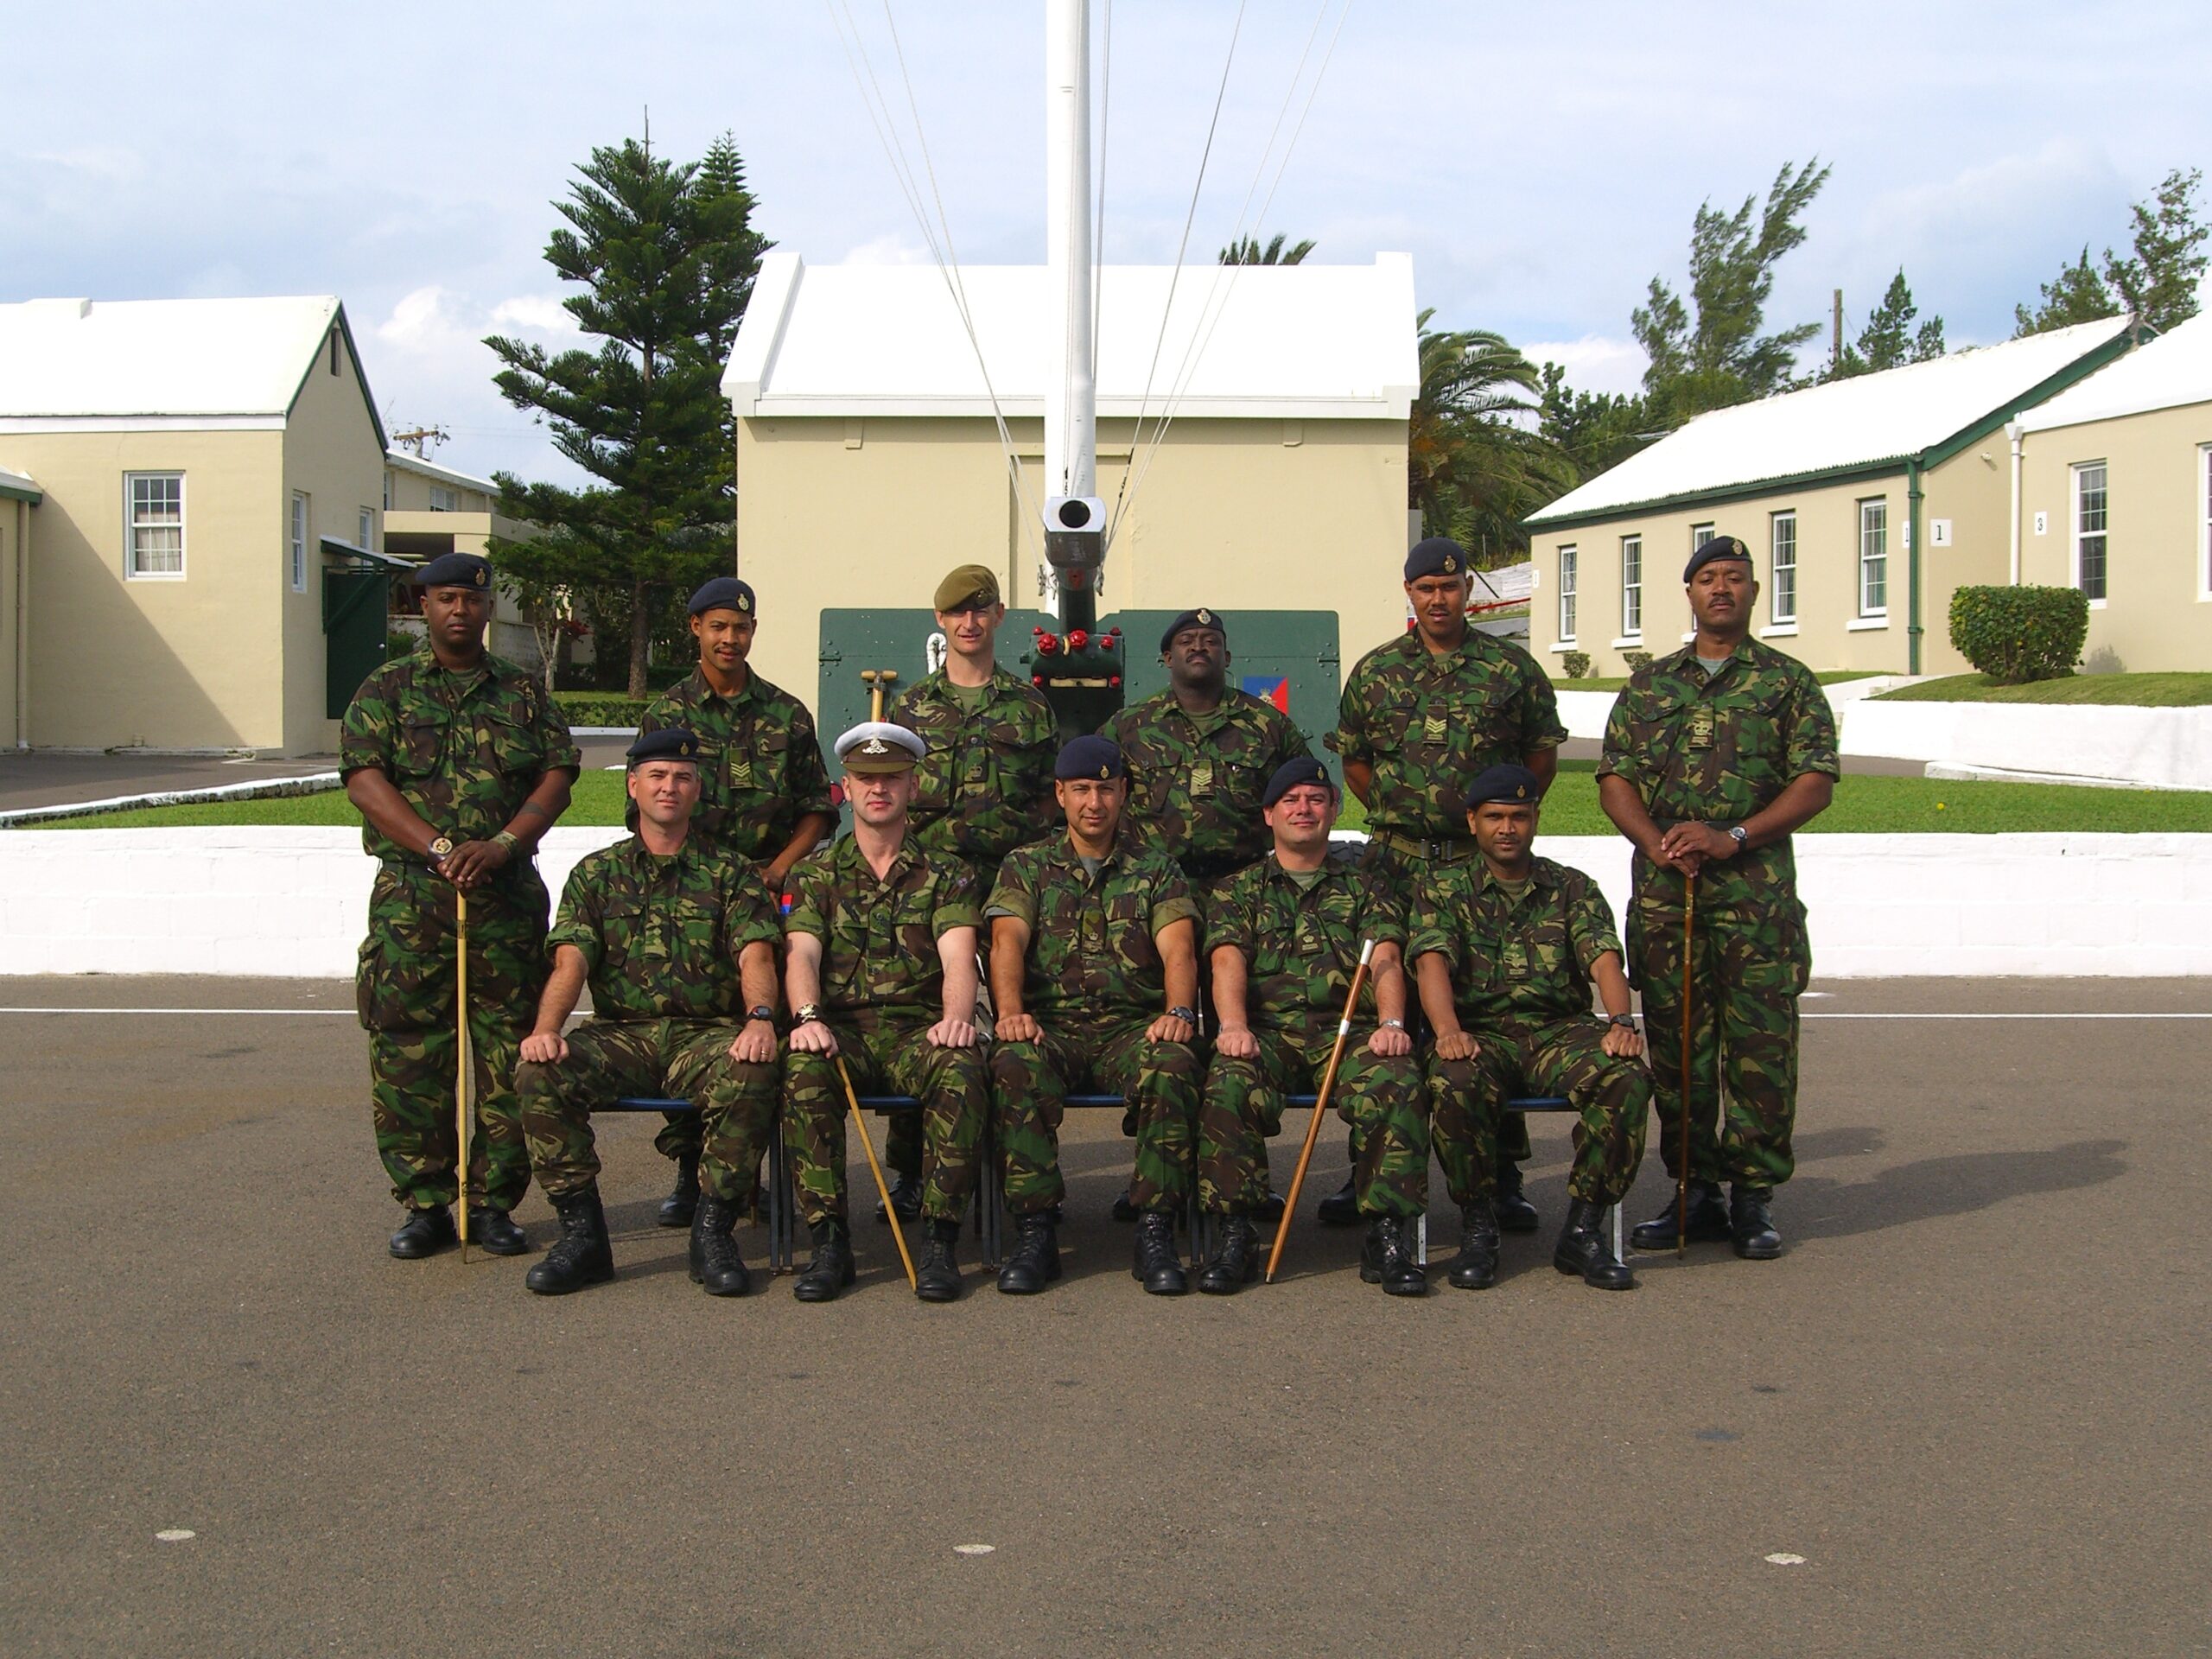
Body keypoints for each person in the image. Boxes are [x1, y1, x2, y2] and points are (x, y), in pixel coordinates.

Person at [1596, 535, 1838, 1261]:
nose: (1721, 589)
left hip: (1756, 901)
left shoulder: (1787, 683)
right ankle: (1690, 1191)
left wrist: (1736, 834)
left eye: (1734, 578)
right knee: (1679, 1052)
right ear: (1690, 593)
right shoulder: (1648, 686)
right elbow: (1615, 781)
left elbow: (1815, 781)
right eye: (1708, 579)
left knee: (1762, 1053)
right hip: (1671, 901)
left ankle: (1754, 1198)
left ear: (1755, 592)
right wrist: (1654, 842)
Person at [341, 551, 578, 1260]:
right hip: (415, 900)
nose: (460, 611)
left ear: (487, 608)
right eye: (446, 599)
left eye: (472, 601)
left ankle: (494, 1201)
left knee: (509, 1052)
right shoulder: (386, 688)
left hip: (504, 900)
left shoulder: (524, 692)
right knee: (410, 1051)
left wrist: (505, 843)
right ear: (423, 606)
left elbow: (558, 775)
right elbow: (364, 780)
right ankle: (425, 1203)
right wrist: (440, 847)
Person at [1327, 535, 1568, 1230]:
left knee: (1487, 1005)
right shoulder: (1376, 672)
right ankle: (1366, 1165)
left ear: (1468, 592)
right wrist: (1407, 815)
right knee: (1381, 1006)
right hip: (1395, 860)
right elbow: (1358, 764)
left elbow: (1539, 759)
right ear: (1410, 593)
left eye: (1451, 587)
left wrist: (1485, 822)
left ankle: (1500, 1176)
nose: (1439, 599)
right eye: (1425, 588)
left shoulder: (1510, 669)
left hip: (1479, 861)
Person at [514, 728, 784, 1297]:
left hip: (705, 1035)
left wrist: (760, 1017)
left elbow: (755, 952)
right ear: (634, 786)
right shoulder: (596, 874)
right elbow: (571, 964)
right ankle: (582, 1236)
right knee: (540, 1072)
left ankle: (712, 1234)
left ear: (697, 791)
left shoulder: (729, 872)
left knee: (752, 1069)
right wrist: (546, 1031)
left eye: (683, 778)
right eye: (657, 777)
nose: (670, 787)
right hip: (623, 1035)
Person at [638, 575, 836, 1229]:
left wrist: (779, 867)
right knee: (694, 1026)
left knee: (766, 1032)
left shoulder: (785, 712)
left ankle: (767, 1171)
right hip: (690, 902)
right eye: (718, 626)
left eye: (741, 628)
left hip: (772, 894)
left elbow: (817, 809)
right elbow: (645, 811)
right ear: (694, 628)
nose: (731, 638)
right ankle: (692, 1172)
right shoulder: (667, 712)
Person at [1411, 764, 1650, 1292]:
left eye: (1519, 816)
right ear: (1472, 821)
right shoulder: (1443, 888)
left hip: (1557, 1031)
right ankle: (1479, 1227)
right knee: (1454, 1080)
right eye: (1494, 816)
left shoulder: (1570, 886)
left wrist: (1620, 1023)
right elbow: (1431, 962)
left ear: (1536, 819)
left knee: (1626, 1077)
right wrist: (1447, 1030)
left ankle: (1583, 1230)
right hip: (1481, 1032)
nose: (1507, 828)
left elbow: (1604, 957)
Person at [1197, 757, 1427, 1297]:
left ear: (1333, 810)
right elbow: (1227, 961)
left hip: (1347, 1034)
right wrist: (1232, 1026)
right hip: (1267, 1033)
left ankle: (1386, 1234)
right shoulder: (1238, 890)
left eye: (1316, 799)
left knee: (1395, 1079)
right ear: (1269, 814)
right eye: (1292, 801)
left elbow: (1388, 960)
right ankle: (1237, 1233)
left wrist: (1393, 1022)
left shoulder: (1367, 886)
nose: (1305, 809)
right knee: (1229, 1082)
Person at [779, 721, 988, 1304]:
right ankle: (828, 1243)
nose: (879, 789)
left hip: (916, 1031)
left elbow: (958, 958)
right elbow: (802, 952)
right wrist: (808, 1017)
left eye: (891, 778)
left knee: (962, 1066)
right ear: (845, 788)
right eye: (866, 779)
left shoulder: (947, 872)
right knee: (802, 1071)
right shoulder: (815, 872)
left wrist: (956, 1020)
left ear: (912, 786)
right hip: (839, 1029)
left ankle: (941, 1240)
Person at [988, 736, 1205, 1297]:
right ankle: (1036, 1232)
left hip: (1129, 1029)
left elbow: (1178, 947)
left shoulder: (1155, 868)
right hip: (1051, 1027)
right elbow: (1006, 941)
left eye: (1106, 789)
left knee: (1176, 1060)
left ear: (1124, 793)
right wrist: (1011, 1014)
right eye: (1081, 789)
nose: (1094, 802)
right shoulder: (1027, 865)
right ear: (1060, 794)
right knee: (1013, 1060)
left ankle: (1155, 1229)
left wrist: (1179, 1011)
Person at [880, 562, 1058, 1222]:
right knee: (927, 1014)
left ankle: (1026, 1168)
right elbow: (891, 799)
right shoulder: (911, 708)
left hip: (1012, 880)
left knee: (1019, 1016)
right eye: (957, 613)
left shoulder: (1030, 705)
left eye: (981, 611)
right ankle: (910, 1169)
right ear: (941, 622)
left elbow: (1049, 798)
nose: (969, 622)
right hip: (931, 885)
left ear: (999, 616)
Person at [1103, 607, 1312, 887]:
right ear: (1168, 658)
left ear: (1226, 658)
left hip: (1245, 883)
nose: (1198, 647)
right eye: (1186, 640)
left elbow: (1306, 790)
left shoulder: (1267, 723)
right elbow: (1095, 792)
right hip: (1151, 883)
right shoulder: (1129, 726)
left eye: (1211, 641)